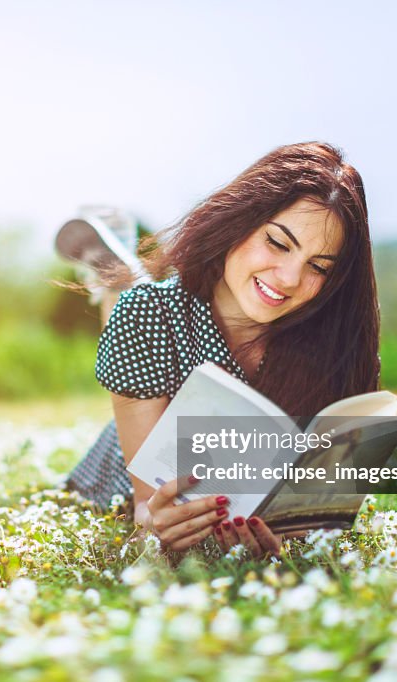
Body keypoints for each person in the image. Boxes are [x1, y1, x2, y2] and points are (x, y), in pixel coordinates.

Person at [57, 141, 380, 559]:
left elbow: (325, 512)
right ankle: (109, 270)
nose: (288, 278)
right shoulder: (147, 316)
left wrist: (292, 536)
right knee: (132, 305)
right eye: (279, 244)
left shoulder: (337, 348)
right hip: (127, 446)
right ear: (239, 222)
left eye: (318, 267)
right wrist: (155, 521)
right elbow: (145, 510)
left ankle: (118, 268)